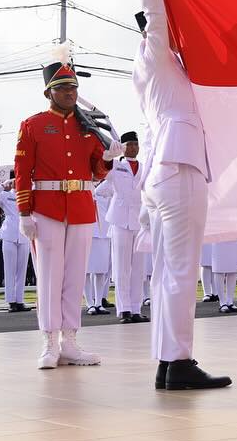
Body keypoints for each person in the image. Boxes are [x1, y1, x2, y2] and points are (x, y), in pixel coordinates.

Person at [130, 0, 231, 390]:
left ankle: (167, 362)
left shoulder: (155, 70)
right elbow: (155, 10)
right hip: (179, 166)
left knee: (169, 272)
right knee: (182, 270)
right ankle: (180, 361)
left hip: (162, 171)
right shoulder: (156, 55)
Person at [12, 60, 111, 369]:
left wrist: (108, 158)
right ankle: (49, 341)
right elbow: (22, 172)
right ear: (49, 92)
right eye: (63, 88)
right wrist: (24, 211)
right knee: (50, 277)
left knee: (74, 276)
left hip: (81, 205)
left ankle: (70, 340)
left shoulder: (88, 127)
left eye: (73, 88)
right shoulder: (33, 124)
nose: (70, 92)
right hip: (47, 207)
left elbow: (97, 172)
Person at [96, 132, 149, 323]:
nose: (133, 147)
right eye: (130, 144)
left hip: (139, 221)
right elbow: (101, 173)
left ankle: (136, 308)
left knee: (138, 269)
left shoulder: (144, 168)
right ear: (123, 147)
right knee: (121, 267)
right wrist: (108, 155)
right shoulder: (117, 166)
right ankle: (124, 309)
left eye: (136, 144)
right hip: (119, 220)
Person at [0, 186, 32, 311]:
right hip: (9, 235)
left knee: (22, 270)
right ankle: (11, 301)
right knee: (9, 270)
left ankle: (19, 301)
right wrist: (2, 186)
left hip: (24, 235)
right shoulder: (5, 195)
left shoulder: (28, 194)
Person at [85, 179, 114, 315]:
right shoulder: (83, 187)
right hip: (87, 233)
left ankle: (98, 302)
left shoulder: (104, 189)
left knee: (101, 270)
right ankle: (89, 303)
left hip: (103, 234)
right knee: (86, 270)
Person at [209, 238, 237, 313]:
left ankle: (229, 302)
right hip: (219, 237)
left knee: (233, 268)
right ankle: (222, 303)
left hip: (235, 237)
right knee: (219, 269)